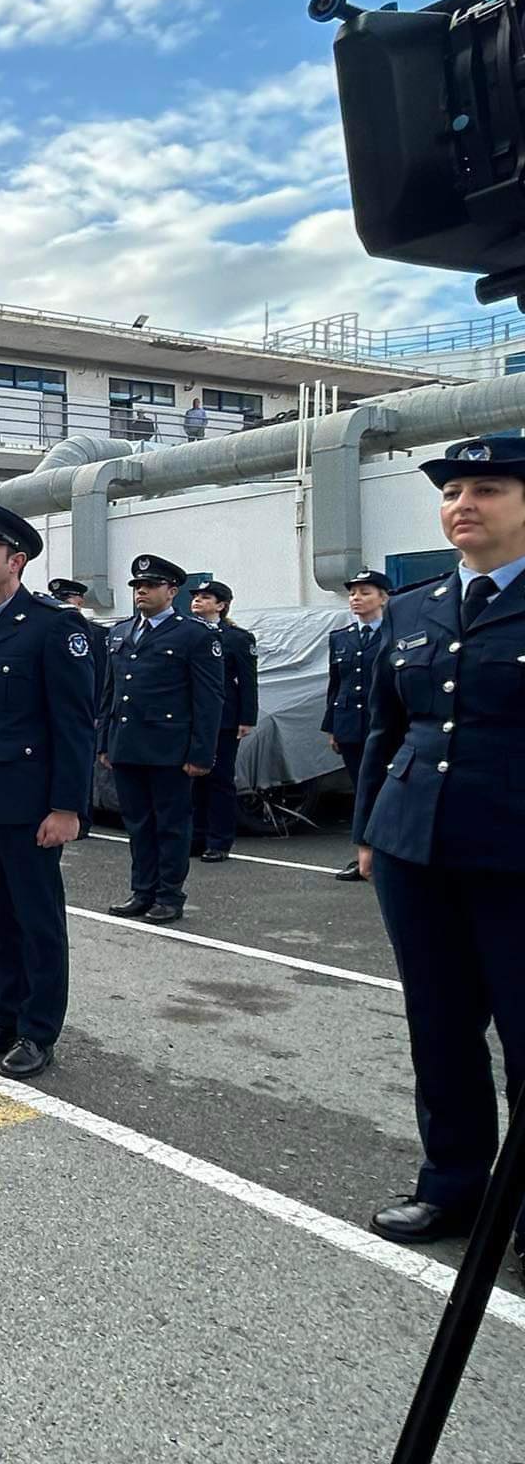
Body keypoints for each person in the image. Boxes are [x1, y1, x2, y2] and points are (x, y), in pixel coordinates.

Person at [352, 435, 525, 1270]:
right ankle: (451, 1183)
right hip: (415, 846)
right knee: (441, 1028)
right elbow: (387, 729)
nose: (463, 504)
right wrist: (368, 833)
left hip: (516, 854)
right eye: (453, 490)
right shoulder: (415, 609)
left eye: (486, 489)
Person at [0, 502, 97, 1080]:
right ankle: (0, 1015)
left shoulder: (55, 627)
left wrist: (66, 807)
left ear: (17, 560)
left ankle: (37, 1030)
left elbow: (75, 724)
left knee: (37, 920)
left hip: (28, 806)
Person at [98, 553, 222, 924]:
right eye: (137, 586)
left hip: (169, 748)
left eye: (150, 586)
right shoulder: (120, 632)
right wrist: (105, 742)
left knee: (170, 825)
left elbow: (208, 697)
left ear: (171, 591)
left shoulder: (194, 634)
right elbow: (110, 692)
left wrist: (201, 753)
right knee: (137, 824)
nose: (141, 592)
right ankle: (142, 890)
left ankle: (169, 895)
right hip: (128, 745)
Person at [325, 569, 392, 881]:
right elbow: (336, 685)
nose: (356, 598)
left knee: (388, 790)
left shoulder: (395, 634)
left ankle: (390, 854)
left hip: (388, 726)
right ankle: (363, 854)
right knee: (362, 790)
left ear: (383, 597)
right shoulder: (341, 639)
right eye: (353, 593)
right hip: (351, 724)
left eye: (365, 592)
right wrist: (333, 727)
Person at [188, 580, 257, 863]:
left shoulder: (237, 638)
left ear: (221, 604)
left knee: (219, 780)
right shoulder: (187, 633)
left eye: (206, 598)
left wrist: (246, 718)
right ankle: (196, 836)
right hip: (192, 717)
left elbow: (248, 681)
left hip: (224, 719)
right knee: (193, 779)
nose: (197, 601)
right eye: (196, 597)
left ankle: (219, 841)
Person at [48, 577, 107, 838]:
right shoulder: (49, 626)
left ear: (80, 601)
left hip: (87, 710)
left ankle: (82, 816)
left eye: (67, 599)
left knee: (82, 762)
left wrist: (96, 712)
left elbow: (102, 677)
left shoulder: (94, 633)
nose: (63, 604)